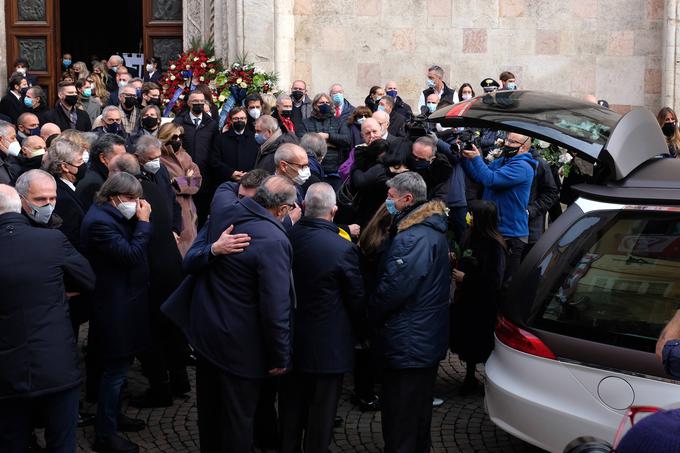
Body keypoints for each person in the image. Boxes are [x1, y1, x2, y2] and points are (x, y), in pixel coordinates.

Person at [165, 176, 296, 453]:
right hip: (240, 347)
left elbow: (223, 187)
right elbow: (275, 307)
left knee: (210, 415)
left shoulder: (226, 213)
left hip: (207, 336)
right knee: (237, 420)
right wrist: (279, 356)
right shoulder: (273, 239)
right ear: (282, 210)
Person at [0, 183, 95, 453]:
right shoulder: (51, 240)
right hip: (56, 362)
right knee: (62, 442)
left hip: (7, 369)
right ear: (21, 204)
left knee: (11, 441)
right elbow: (87, 279)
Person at [368, 172, 450, 453]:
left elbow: (393, 290)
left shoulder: (412, 238)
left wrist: (371, 314)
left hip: (408, 341)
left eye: (391, 198)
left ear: (407, 199)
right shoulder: (427, 230)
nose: (387, 202)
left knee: (401, 417)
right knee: (416, 414)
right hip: (422, 338)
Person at [279, 182, 365, 453]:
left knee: (291, 405)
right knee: (323, 410)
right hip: (329, 343)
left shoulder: (286, 238)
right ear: (334, 210)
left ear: (304, 207)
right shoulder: (341, 248)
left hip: (290, 337)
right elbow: (356, 297)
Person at [80, 172, 152, 453]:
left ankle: (112, 417)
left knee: (117, 368)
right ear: (114, 196)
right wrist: (144, 223)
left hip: (124, 300)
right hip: (113, 305)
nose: (136, 204)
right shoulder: (100, 222)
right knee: (115, 370)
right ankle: (105, 433)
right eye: (132, 199)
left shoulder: (110, 214)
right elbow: (131, 254)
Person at [462, 132, 536, 284]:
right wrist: (465, 157)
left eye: (514, 142)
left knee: (503, 283)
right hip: (495, 230)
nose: (508, 144)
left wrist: (477, 158)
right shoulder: (503, 161)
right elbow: (479, 176)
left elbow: (491, 180)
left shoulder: (522, 166)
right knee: (487, 277)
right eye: (508, 140)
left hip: (510, 234)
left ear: (524, 148)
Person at [450, 200, 507, 395]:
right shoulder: (468, 236)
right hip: (466, 300)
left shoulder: (494, 245)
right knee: (468, 342)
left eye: (472, 214)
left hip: (483, 304)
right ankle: (469, 376)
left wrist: (468, 278)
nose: (468, 217)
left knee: (481, 343)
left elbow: (494, 279)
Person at [172, 90, 219, 227]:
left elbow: (215, 150)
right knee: (185, 214)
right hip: (184, 175)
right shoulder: (179, 122)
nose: (198, 104)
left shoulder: (212, 124)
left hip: (204, 177)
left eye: (201, 102)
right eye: (195, 101)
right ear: (188, 103)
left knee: (202, 215)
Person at [159, 122, 202, 257]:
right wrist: (184, 179)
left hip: (189, 207)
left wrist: (177, 181)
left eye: (179, 137)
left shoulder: (185, 156)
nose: (177, 140)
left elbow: (196, 182)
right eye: (174, 137)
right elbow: (164, 184)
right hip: (172, 208)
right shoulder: (159, 158)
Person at [298, 93, 351, 190]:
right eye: (321, 102)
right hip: (312, 171)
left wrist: (327, 136)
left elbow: (347, 140)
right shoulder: (306, 122)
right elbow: (303, 142)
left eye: (327, 102)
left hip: (334, 171)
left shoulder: (338, 121)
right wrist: (333, 144)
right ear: (315, 105)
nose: (325, 104)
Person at [76, 133, 127, 209]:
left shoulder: (101, 176)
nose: (124, 161)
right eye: (119, 157)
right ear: (102, 158)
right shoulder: (95, 184)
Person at [214, 106, 259, 185]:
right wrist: (231, 173)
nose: (239, 121)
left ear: (246, 119)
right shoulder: (220, 139)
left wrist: (248, 175)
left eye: (242, 118)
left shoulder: (255, 138)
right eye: (236, 118)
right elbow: (215, 161)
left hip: (250, 182)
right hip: (226, 182)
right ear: (231, 120)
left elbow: (258, 160)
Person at [411, 135, 453, 201]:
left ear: (432, 159)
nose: (416, 160)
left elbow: (439, 200)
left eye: (421, 159)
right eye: (414, 156)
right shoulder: (403, 161)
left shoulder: (441, 172)